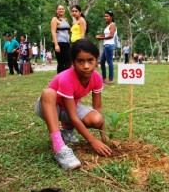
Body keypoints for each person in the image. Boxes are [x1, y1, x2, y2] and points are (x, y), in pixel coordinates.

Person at [35, 39, 119, 169]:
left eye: (90, 60)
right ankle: (59, 148)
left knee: (97, 118)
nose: (86, 66)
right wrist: (92, 141)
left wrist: (104, 137)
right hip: (49, 108)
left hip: (69, 109)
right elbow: (73, 116)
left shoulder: (97, 78)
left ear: (96, 61)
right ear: (73, 63)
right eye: (80, 61)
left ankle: (66, 131)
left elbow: (97, 108)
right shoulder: (66, 78)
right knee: (48, 93)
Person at [96, 10, 117, 84]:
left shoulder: (112, 25)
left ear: (111, 17)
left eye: (107, 16)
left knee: (109, 62)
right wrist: (100, 36)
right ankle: (104, 78)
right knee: (102, 62)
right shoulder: (108, 25)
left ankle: (111, 79)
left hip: (109, 45)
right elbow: (106, 35)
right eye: (105, 16)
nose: (105, 17)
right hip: (106, 45)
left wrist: (101, 38)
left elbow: (111, 36)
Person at [51, 4, 71, 73]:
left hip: (67, 42)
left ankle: (66, 78)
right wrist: (56, 45)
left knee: (68, 61)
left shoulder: (65, 19)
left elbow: (68, 31)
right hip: (59, 42)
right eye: (59, 9)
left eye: (62, 9)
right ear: (56, 10)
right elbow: (53, 32)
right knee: (61, 62)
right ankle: (60, 79)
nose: (61, 10)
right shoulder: (55, 19)